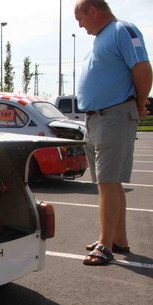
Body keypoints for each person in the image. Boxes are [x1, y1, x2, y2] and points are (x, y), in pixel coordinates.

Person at [75, 0, 151, 266]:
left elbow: (142, 68)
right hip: (97, 118)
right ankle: (118, 239)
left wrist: (140, 102)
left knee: (108, 181)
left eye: (80, 19)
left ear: (92, 11)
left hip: (114, 114)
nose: (80, 25)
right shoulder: (102, 38)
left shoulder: (122, 29)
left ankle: (105, 246)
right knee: (110, 182)